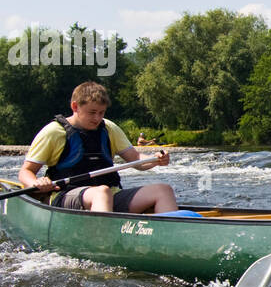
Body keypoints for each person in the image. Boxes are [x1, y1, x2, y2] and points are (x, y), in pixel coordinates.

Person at [19, 81, 179, 214]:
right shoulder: (53, 132)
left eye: (101, 113)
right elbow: (26, 172)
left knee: (163, 190)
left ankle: (172, 242)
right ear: (75, 107)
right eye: (92, 112)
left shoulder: (109, 128)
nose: (97, 118)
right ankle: (103, 244)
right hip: (66, 195)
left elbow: (136, 159)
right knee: (101, 192)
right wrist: (37, 183)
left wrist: (156, 160)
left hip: (110, 195)